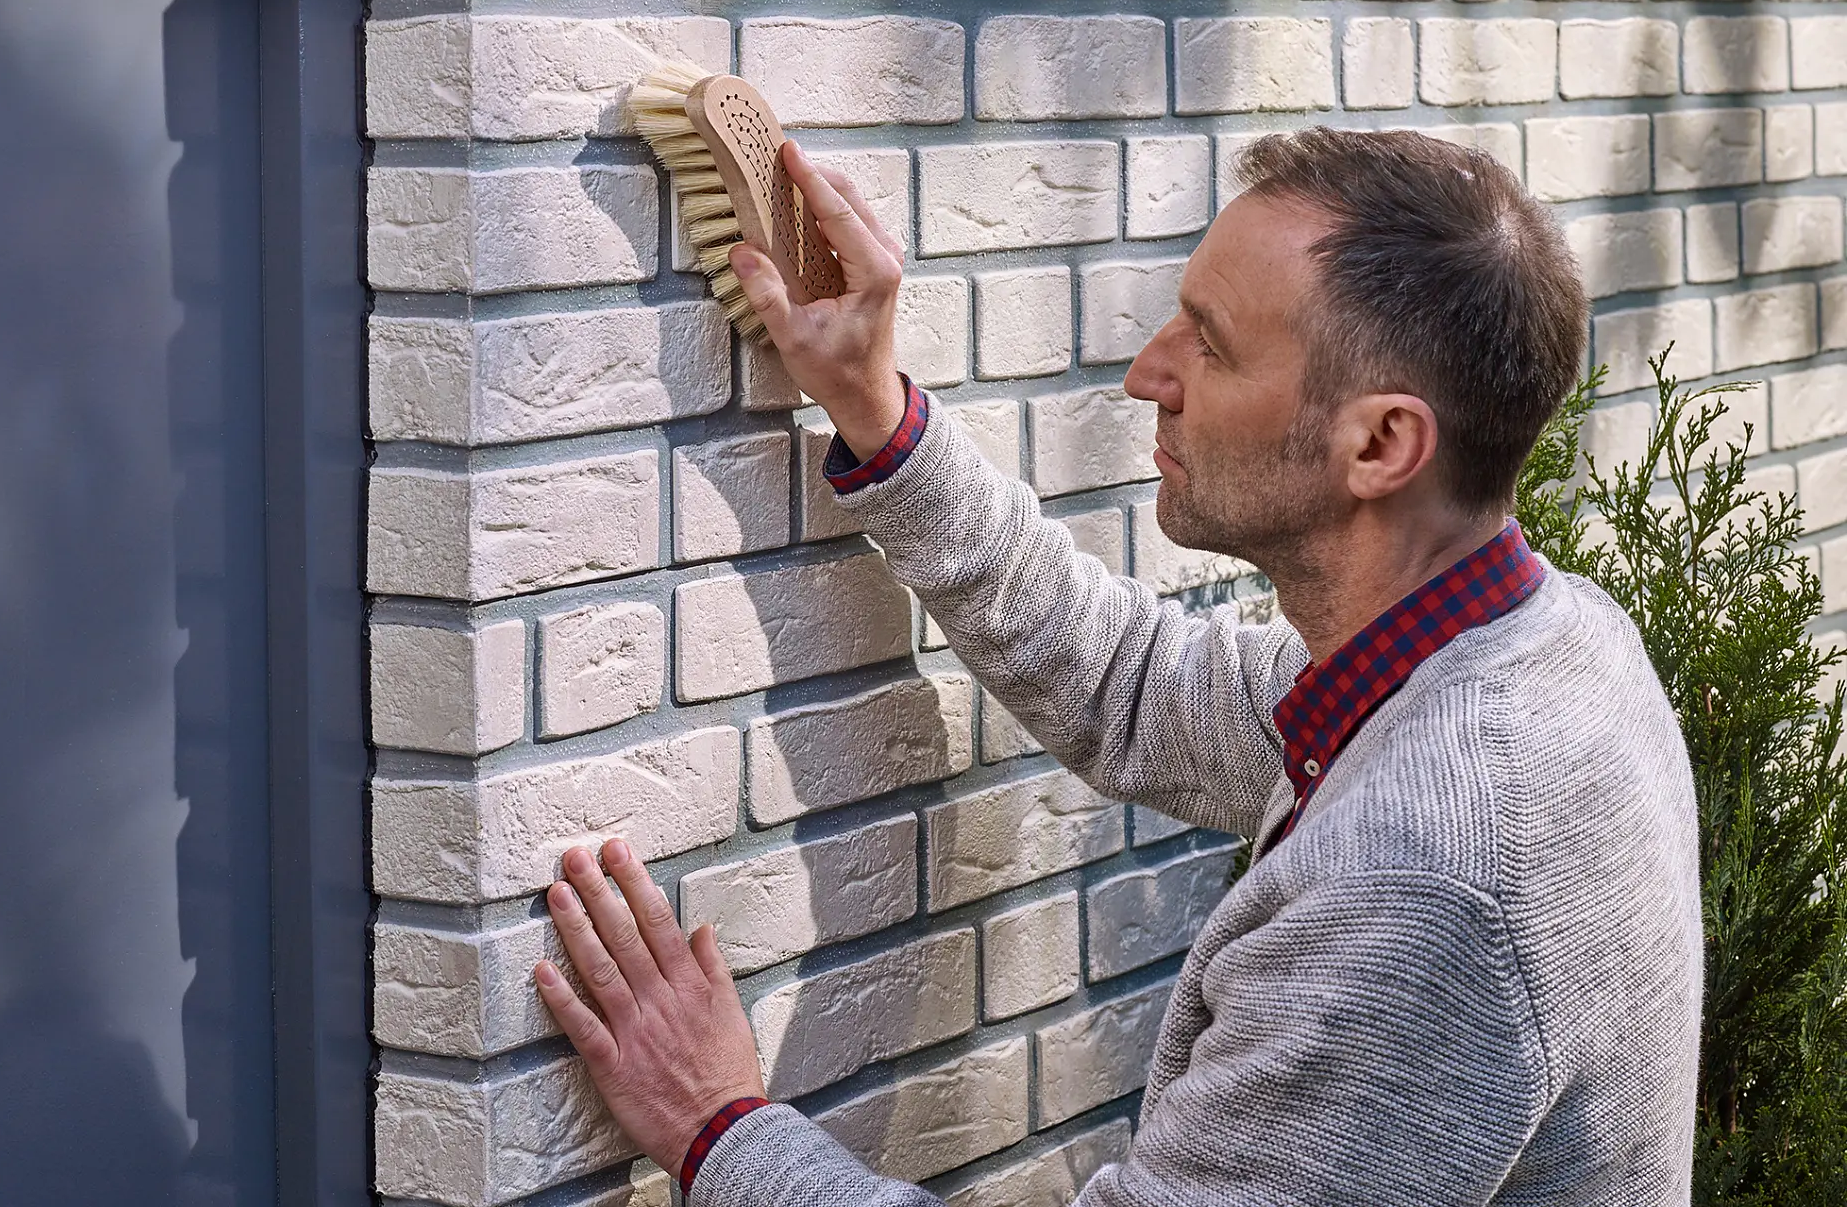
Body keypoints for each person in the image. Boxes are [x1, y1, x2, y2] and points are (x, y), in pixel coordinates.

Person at [530, 127, 1703, 1207]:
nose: (1150, 373)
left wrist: (716, 1128)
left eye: (1213, 343)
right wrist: (875, 409)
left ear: (1381, 444)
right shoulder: (1538, 650)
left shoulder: (1420, 883)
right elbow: (1129, 684)